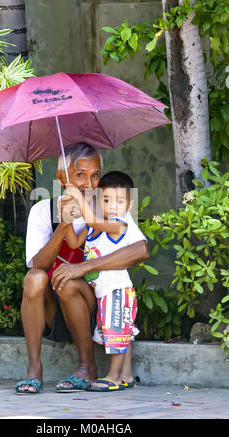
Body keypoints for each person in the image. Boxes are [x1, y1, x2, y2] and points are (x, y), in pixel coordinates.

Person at [15, 143, 149, 394]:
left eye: (95, 175)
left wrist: (83, 268)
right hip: (52, 310)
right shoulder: (43, 210)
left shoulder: (110, 208)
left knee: (69, 281)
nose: (90, 183)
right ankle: (34, 370)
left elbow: (141, 250)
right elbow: (39, 266)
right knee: (34, 278)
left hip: (93, 309)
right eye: (80, 175)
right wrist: (64, 225)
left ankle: (87, 368)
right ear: (61, 178)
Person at [64, 171, 146, 391]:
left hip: (117, 289)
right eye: (106, 200)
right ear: (98, 200)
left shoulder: (120, 226)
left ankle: (113, 377)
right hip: (103, 292)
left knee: (117, 332)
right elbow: (72, 243)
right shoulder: (93, 226)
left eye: (119, 201)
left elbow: (91, 218)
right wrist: (67, 217)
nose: (111, 206)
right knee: (120, 330)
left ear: (128, 207)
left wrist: (78, 197)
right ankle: (126, 375)